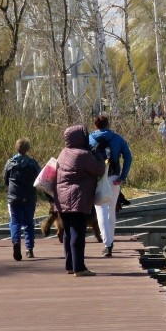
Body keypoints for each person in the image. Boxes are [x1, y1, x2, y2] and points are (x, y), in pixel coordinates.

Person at [55, 125, 106, 276]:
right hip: (78, 198)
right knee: (77, 232)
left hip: (61, 198)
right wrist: (97, 154)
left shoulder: (63, 153)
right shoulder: (83, 154)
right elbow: (99, 169)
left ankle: (70, 265)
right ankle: (79, 268)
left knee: (68, 233)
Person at [89, 115, 133, 257]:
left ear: (95, 125)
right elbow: (128, 157)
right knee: (111, 210)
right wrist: (122, 176)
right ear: (108, 124)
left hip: (97, 180)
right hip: (114, 179)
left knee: (101, 211)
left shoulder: (89, 138)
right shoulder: (118, 138)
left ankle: (107, 245)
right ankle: (110, 241)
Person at [3, 138, 41, 261]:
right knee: (29, 222)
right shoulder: (33, 163)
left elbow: (5, 179)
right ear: (28, 149)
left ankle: (16, 242)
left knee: (15, 222)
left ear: (16, 148)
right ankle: (29, 249)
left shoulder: (10, 162)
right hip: (29, 196)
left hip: (14, 196)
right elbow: (39, 178)